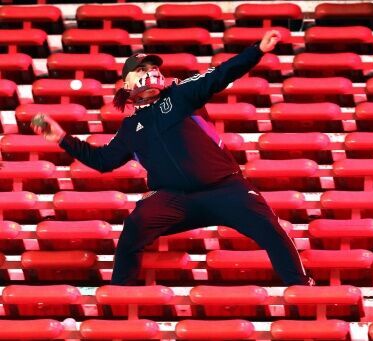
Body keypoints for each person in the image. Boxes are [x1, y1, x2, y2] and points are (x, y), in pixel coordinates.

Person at [32, 30, 314, 286]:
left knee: (270, 228)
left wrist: (257, 50)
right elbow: (103, 161)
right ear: (127, 82)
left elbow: (221, 74)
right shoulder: (131, 127)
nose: (151, 72)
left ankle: (302, 288)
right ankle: (121, 297)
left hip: (226, 189)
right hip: (176, 199)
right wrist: (62, 139)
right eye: (143, 69)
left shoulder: (181, 95)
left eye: (154, 68)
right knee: (134, 227)